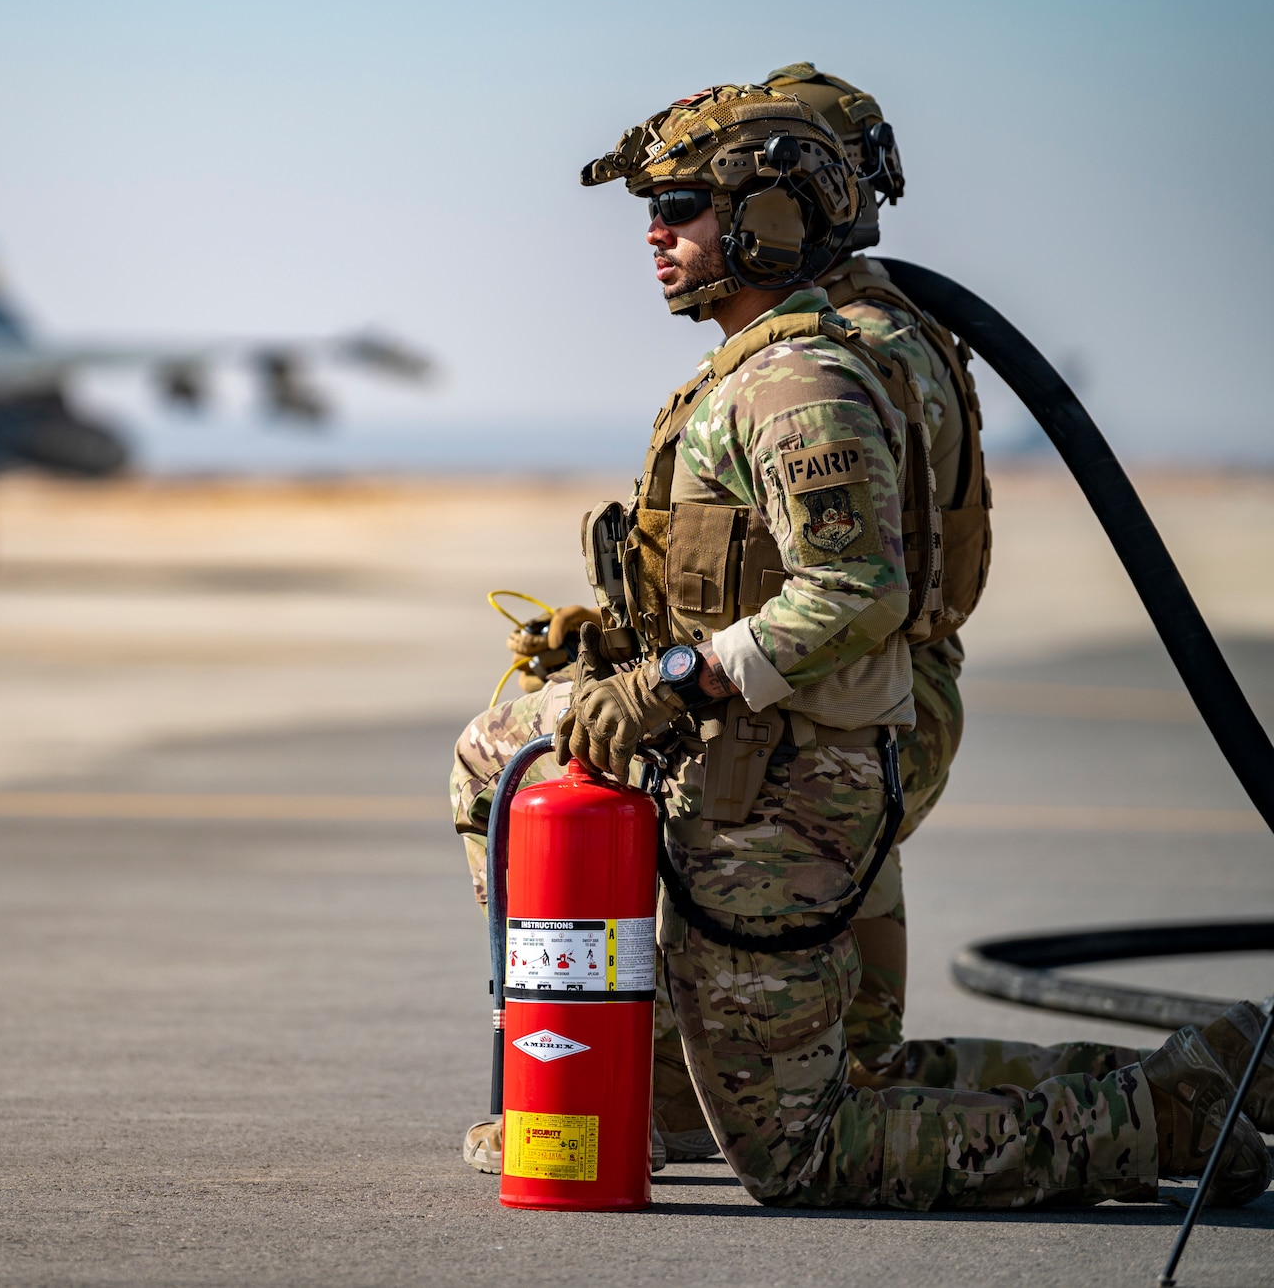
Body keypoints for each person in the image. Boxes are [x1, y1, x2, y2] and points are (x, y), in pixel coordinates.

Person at [468, 81, 1269, 1209]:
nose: (656, 231)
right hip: (833, 732)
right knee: (502, 750)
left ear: (774, 217)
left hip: (788, 763)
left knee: (802, 1152)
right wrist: (630, 633)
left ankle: (1165, 1115)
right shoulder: (857, 330)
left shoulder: (799, 377)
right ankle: (644, 1082)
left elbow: (851, 589)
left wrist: (671, 675)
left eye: (685, 204)